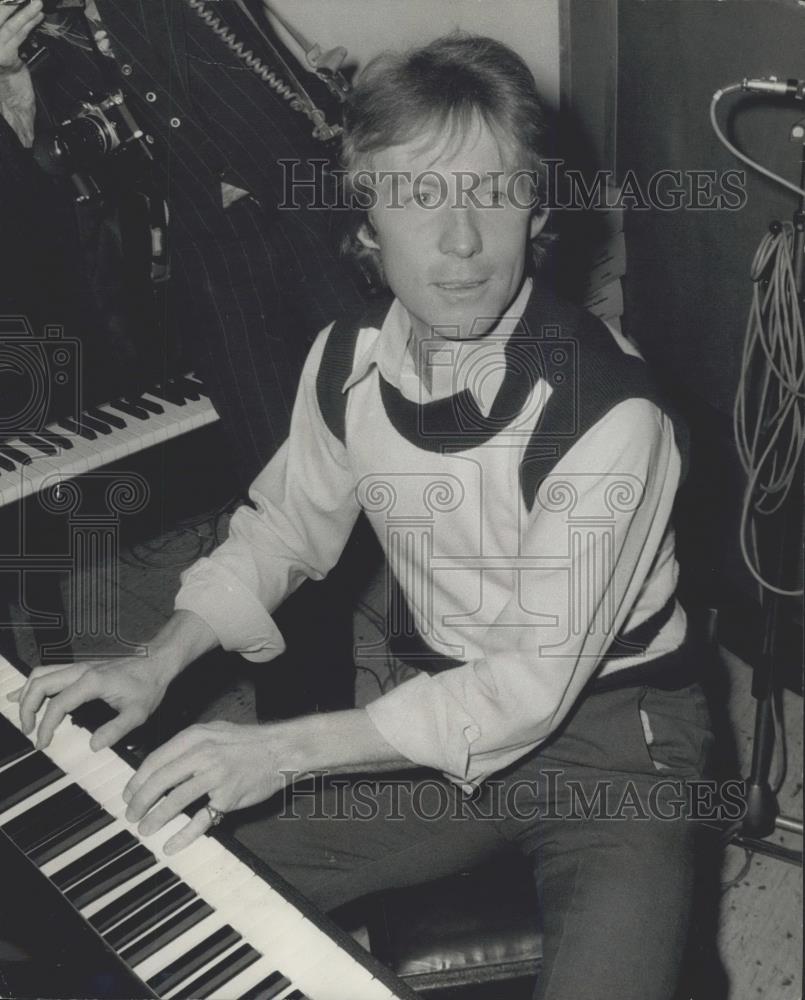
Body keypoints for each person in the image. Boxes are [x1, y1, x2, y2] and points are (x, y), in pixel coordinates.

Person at [11, 33, 714, 1000]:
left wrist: (281, 749)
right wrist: (157, 656)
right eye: (419, 196)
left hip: (619, 746)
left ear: (538, 209)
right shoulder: (345, 361)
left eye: (491, 193)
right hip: (433, 707)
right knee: (140, 880)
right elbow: (284, 528)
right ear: (365, 224)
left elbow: (522, 690)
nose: (460, 241)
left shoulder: (613, 416)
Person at [0, 0, 373, 717]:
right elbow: (43, 185)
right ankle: (298, 724)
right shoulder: (34, 35)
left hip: (319, 221)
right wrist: (11, 84)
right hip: (220, 272)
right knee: (284, 498)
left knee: (415, 444)